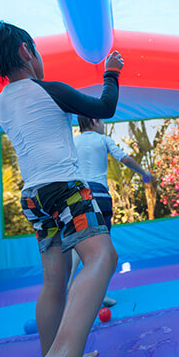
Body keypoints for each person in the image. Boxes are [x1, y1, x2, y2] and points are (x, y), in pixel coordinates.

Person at [0, 21, 124, 357]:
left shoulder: (1, 104)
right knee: (103, 257)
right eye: (35, 51)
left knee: (54, 280)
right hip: (64, 188)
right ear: (26, 51)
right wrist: (111, 73)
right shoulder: (48, 89)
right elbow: (104, 108)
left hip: (33, 197)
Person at [67, 116, 153, 306]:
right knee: (102, 249)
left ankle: (66, 286)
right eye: (103, 122)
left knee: (78, 242)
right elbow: (125, 158)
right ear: (95, 121)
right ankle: (98, 293)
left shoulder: (73, 141)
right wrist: (144, 174)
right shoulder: (103, 139)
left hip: (78, 196)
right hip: (99, 195)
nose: (104, 126)